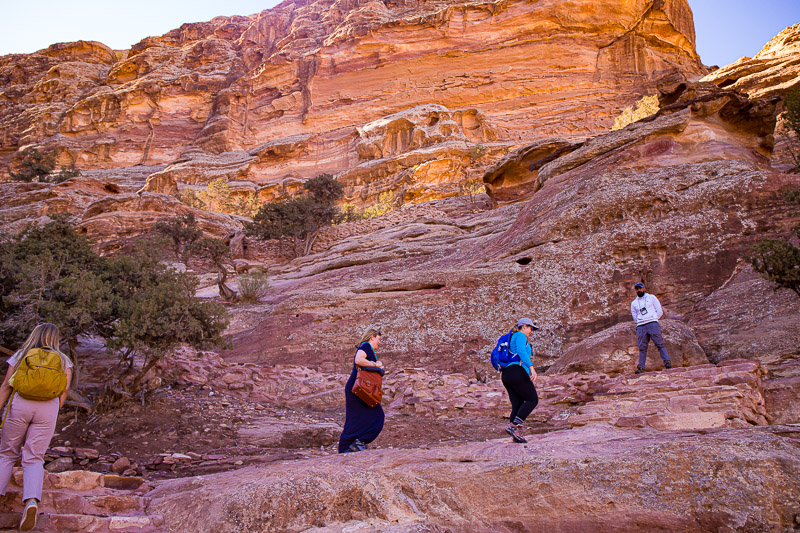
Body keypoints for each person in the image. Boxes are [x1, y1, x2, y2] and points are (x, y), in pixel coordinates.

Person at [0, 323, 73, 532]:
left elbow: (7, 385)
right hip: (47, 409)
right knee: (34, 457)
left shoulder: (22, 354)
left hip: (20, 404)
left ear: (35, 335)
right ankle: (31, 501)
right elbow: (64, 390)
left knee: (6, 453)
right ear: (55, 339)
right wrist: (53, 412)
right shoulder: (63, 360)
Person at [338, 327, 385, 453]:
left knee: (357, 418)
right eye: (378, 339)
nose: (379, 342)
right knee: (377, 417)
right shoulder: (365, 346)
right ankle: (357, 443)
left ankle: (349, 447)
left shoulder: (369, 349)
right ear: (372, 337)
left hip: (359, 388)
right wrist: (375, 364)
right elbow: (358, 360)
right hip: (358, 389)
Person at [501, 318, 539, 444]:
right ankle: (514, 426)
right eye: (530, 328)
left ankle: (515, 435)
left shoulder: (513, 337)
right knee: (532, 399)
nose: (532, 332)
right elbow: (522, 352)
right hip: (516, 371)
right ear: (523, 326)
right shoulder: (520, 335)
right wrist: (531, 368)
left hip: (506, 374)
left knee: (517, 404)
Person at [630, 282, 672, 374]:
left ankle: (667, 362)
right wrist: (640, 321)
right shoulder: (634, 303)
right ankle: (641, 367)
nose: (638, 290)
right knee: (642, 347)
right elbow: (634, 316)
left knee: (659, 343)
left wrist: (653, 318)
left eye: (640, 288)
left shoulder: (651, 297)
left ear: (644, 288)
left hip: (652, 323)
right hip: (641, 326)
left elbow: (659, 310)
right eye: (637, 289)